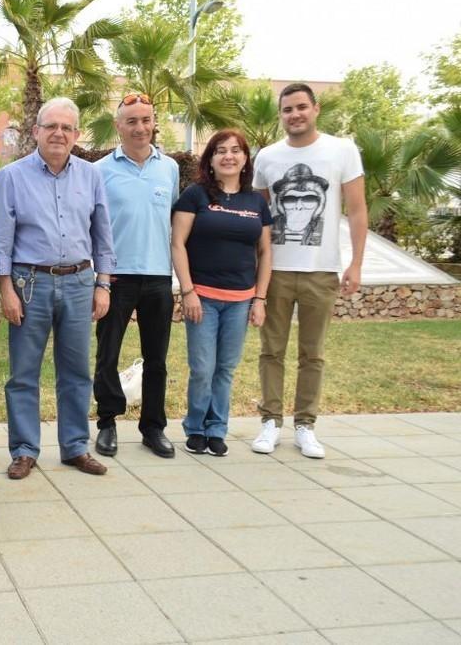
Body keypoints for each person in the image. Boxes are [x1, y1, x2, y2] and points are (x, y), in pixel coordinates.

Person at [0, 97, 115, 480]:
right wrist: (5, 291)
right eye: (51, 126)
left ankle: (75, 446)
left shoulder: (92, 175)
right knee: (24, 373)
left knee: (76, 371)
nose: (59, 133)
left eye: (66, 127)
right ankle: (25, 449)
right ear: (36, 131)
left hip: (79, 281)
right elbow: (0, 244)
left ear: (76, 134)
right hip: (30, 283)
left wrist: (103, 284)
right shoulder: (11, 177)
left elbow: (103, 235)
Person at [251, 83, 368, 459]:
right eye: (287, 109)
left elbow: (358, 209)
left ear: (315, 109)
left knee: (312, 354)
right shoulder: (267, 157)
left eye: (301, 107)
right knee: (272, 351)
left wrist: (356, 262)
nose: (295, 114)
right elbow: (259, 217)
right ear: (280, 114)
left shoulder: (342, 150)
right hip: (277, 271)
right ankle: (270, 421)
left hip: (322, 270)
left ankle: (306, 425)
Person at [171, 129, 273, 456]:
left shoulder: (256, 201)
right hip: (202, 296)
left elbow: (265, 252)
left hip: (241, 300)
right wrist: (187, 291)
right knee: (203, 367)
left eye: (235, 151)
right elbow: (177, 243)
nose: (228, 156)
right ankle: (196, 427)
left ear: (245, 158)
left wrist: (260, 298)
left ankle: (217, 429)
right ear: (210, 159)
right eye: (220, 151)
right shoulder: (195, 195)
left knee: (225, 369)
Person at [92, 93, 179, 460]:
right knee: (107, 354)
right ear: (118, 126)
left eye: (146, 120)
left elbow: (173, 220)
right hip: (115, 276)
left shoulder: (169, 168)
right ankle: (108, 422)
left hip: (158, 275)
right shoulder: (100, 170)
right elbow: (92, 224)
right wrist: (100, 277)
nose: (140, 127)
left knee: (156, 358)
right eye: (132, 121)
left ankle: (153, 427)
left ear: (153, 122)